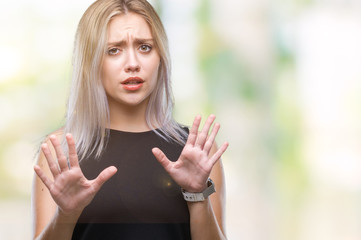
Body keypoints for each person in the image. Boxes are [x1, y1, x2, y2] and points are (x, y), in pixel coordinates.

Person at [31, 0, 229, 239]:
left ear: (161, 57)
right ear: (90, 62)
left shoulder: (196, 151)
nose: (133, 64)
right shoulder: (58, 151)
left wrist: (197, 194)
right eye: (114, 50)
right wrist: (66, 214)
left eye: (144, 47)